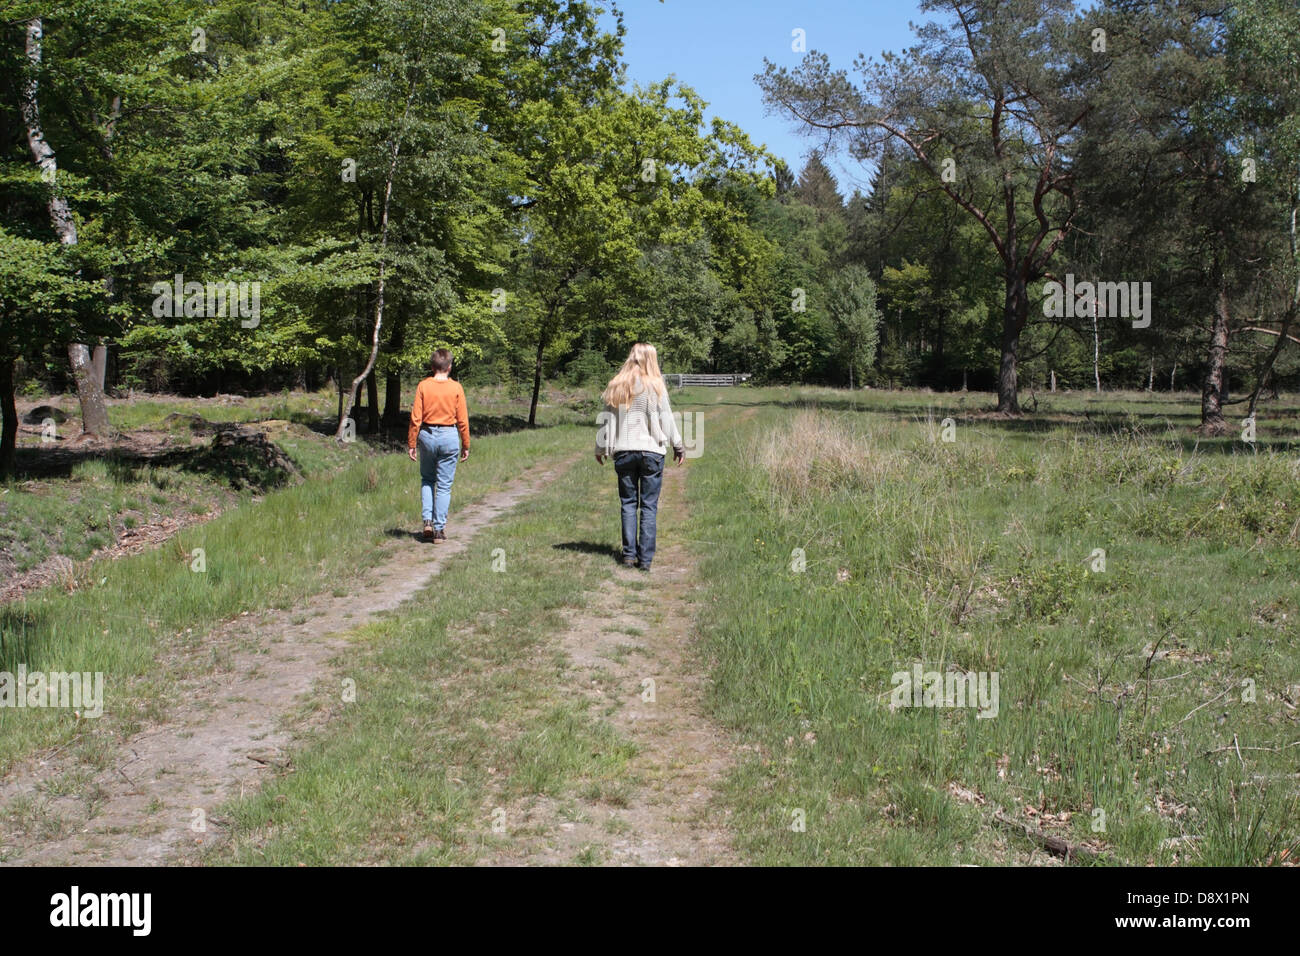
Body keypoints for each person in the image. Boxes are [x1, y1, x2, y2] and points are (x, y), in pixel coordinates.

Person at [595, 343, 684, 572]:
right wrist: (679, 446)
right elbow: (667, 419)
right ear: (651, 359)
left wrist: (601, 447)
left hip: (624, 451)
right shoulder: (655, 386)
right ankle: (645, 560)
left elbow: (606, 420)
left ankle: (628, 555)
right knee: (648, 506)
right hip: (651, 452)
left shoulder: (617, 385)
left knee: (627, 504)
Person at [407, 349, 470, 541]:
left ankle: (427, 521)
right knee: (444, 486)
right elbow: (463, 420)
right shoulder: (456, 388)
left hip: (427, 434)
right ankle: (439, 530)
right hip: (449, 435)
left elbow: (416, 417)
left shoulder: (423, 386)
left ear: (432, 367)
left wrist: (412, 442)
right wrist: (466, 444)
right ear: (449, 367)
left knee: (427, 479)